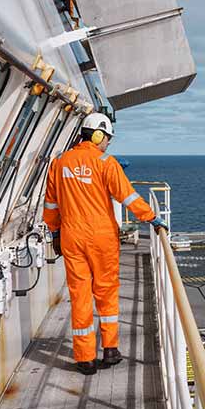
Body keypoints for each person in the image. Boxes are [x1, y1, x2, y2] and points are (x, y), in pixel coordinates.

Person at [42, 112, 167, 375]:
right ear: (98, 135)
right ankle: (110, 350)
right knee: (106, 292)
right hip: (102, 239)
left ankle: (85, 358)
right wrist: (153, 219)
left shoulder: (59, 163)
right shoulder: (106, 163)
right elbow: (128, 197)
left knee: (80, 295)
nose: (108, 143)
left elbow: (51, 205)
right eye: (107, 138)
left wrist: (55, 234)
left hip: (71, 236)